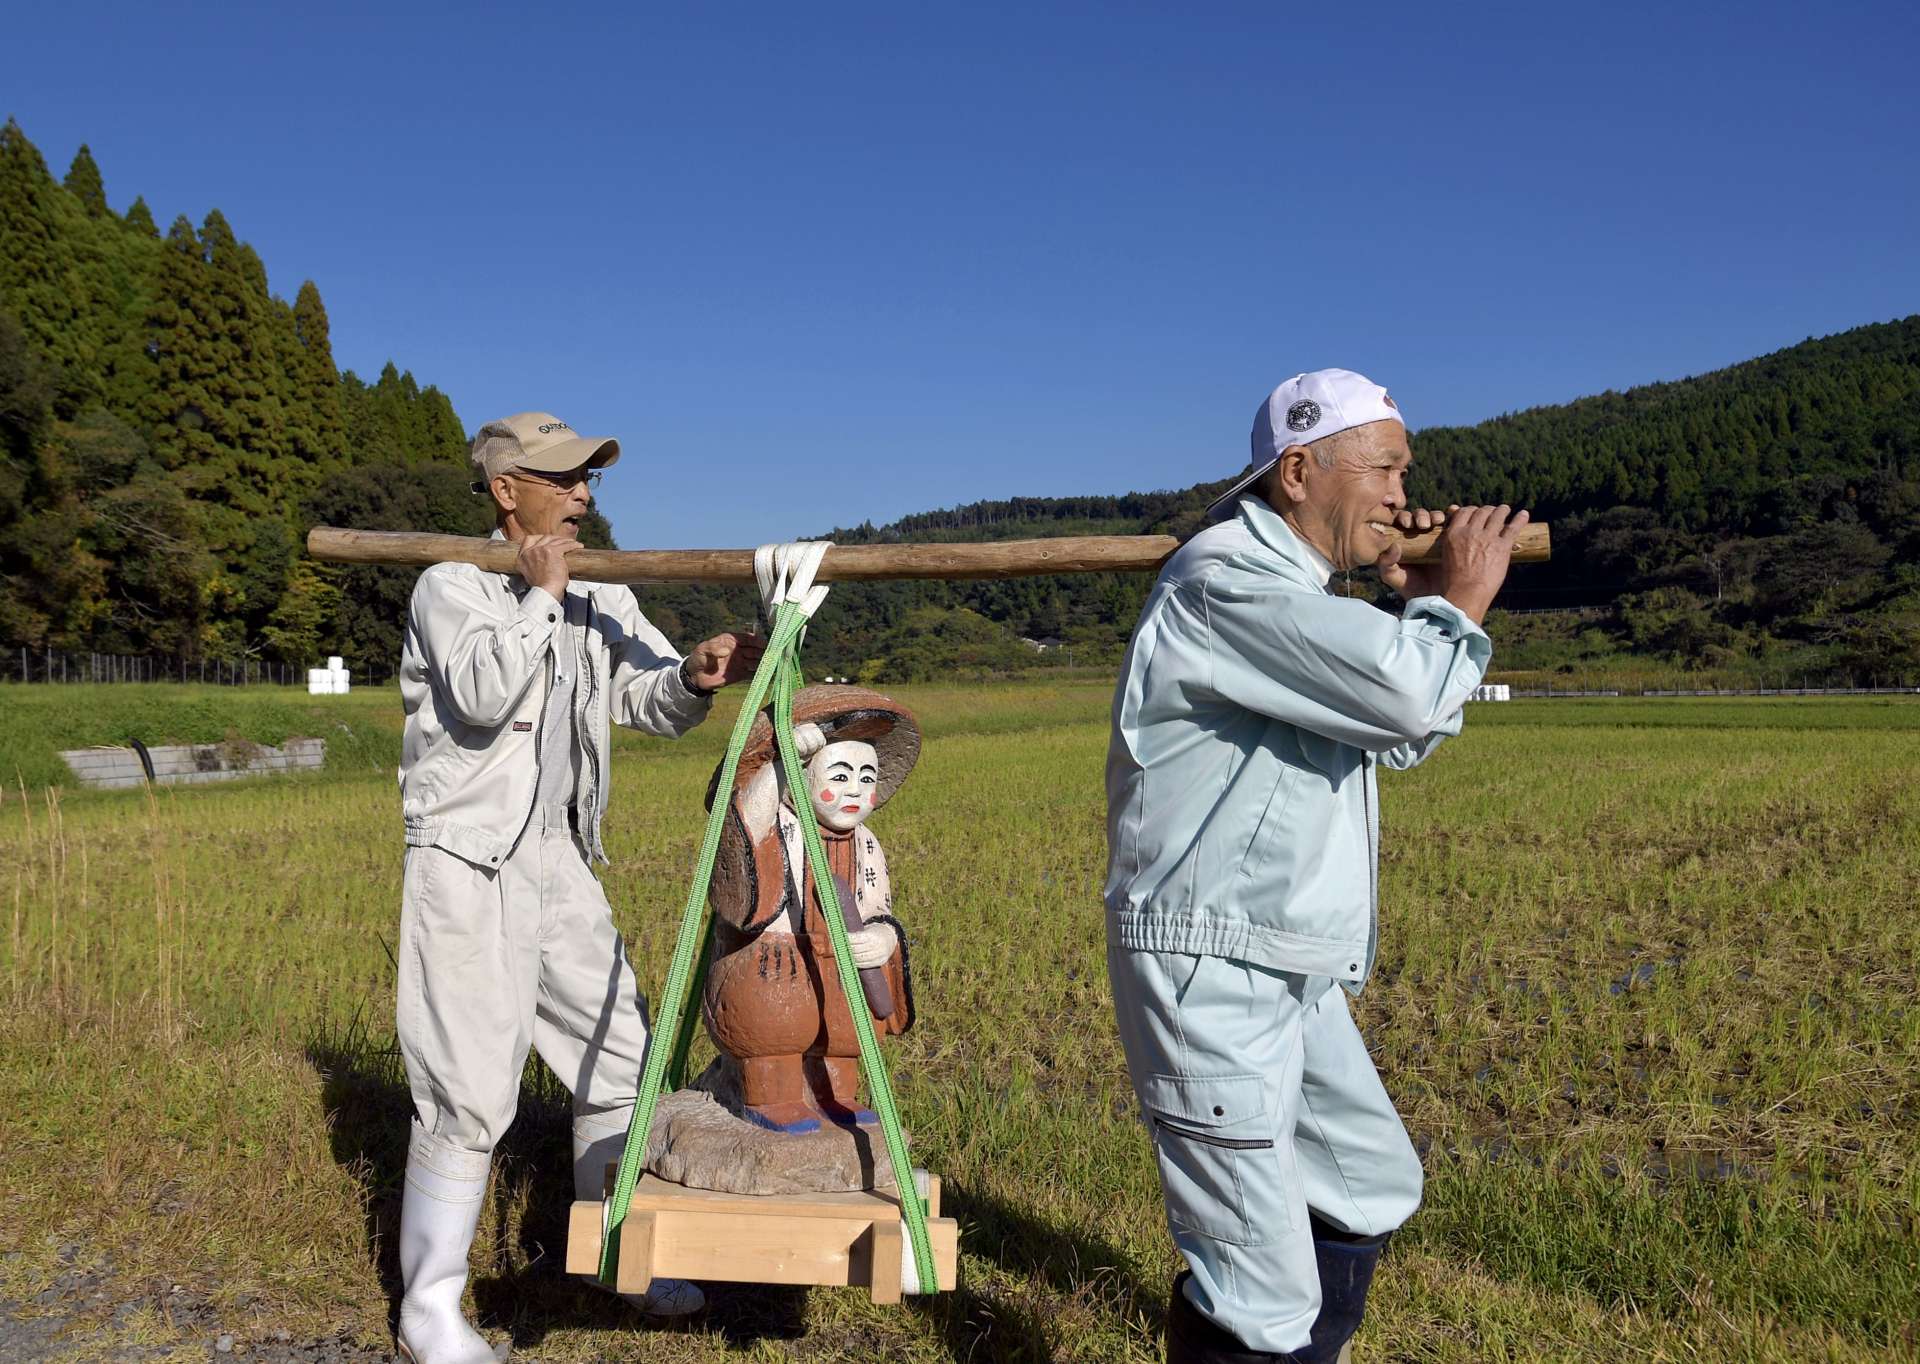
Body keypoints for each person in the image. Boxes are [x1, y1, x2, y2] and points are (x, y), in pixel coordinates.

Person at [1103, 370, 1528, 1363]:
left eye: (1404, 471)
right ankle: (1261, 1336)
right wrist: (1458, 602)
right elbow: (1412, 697)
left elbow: (1396, 730)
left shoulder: (1291, 593)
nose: (1399, 493)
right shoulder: (1225, 580)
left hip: (1281, 954)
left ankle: (1303, 1347)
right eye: (1382, 467)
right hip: (1209, 958)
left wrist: (1423, 609)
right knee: (1259, 1285)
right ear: (1299, 471)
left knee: (1368, 1180)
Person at [392, 411, 762, 1364]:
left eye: (590, 478)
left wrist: (695, 673)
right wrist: (542, 596)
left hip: (558, 854)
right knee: (468, 1086)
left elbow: (644, 699)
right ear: (507, 490)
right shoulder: (451, 586)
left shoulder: (600, 590)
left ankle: (616, 1257)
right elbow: (481, 692)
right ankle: (429, 1306)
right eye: (566, 478)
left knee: (620, 1056)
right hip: (467, 860)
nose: (587, 495)